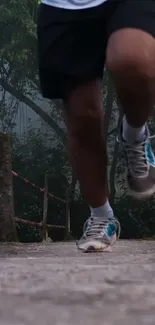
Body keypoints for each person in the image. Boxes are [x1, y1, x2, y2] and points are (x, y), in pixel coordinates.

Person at [37, 0, 155, 252]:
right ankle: (101, 217)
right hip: (63, 6)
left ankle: (135, 134)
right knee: (83, 116)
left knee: (132, 59)